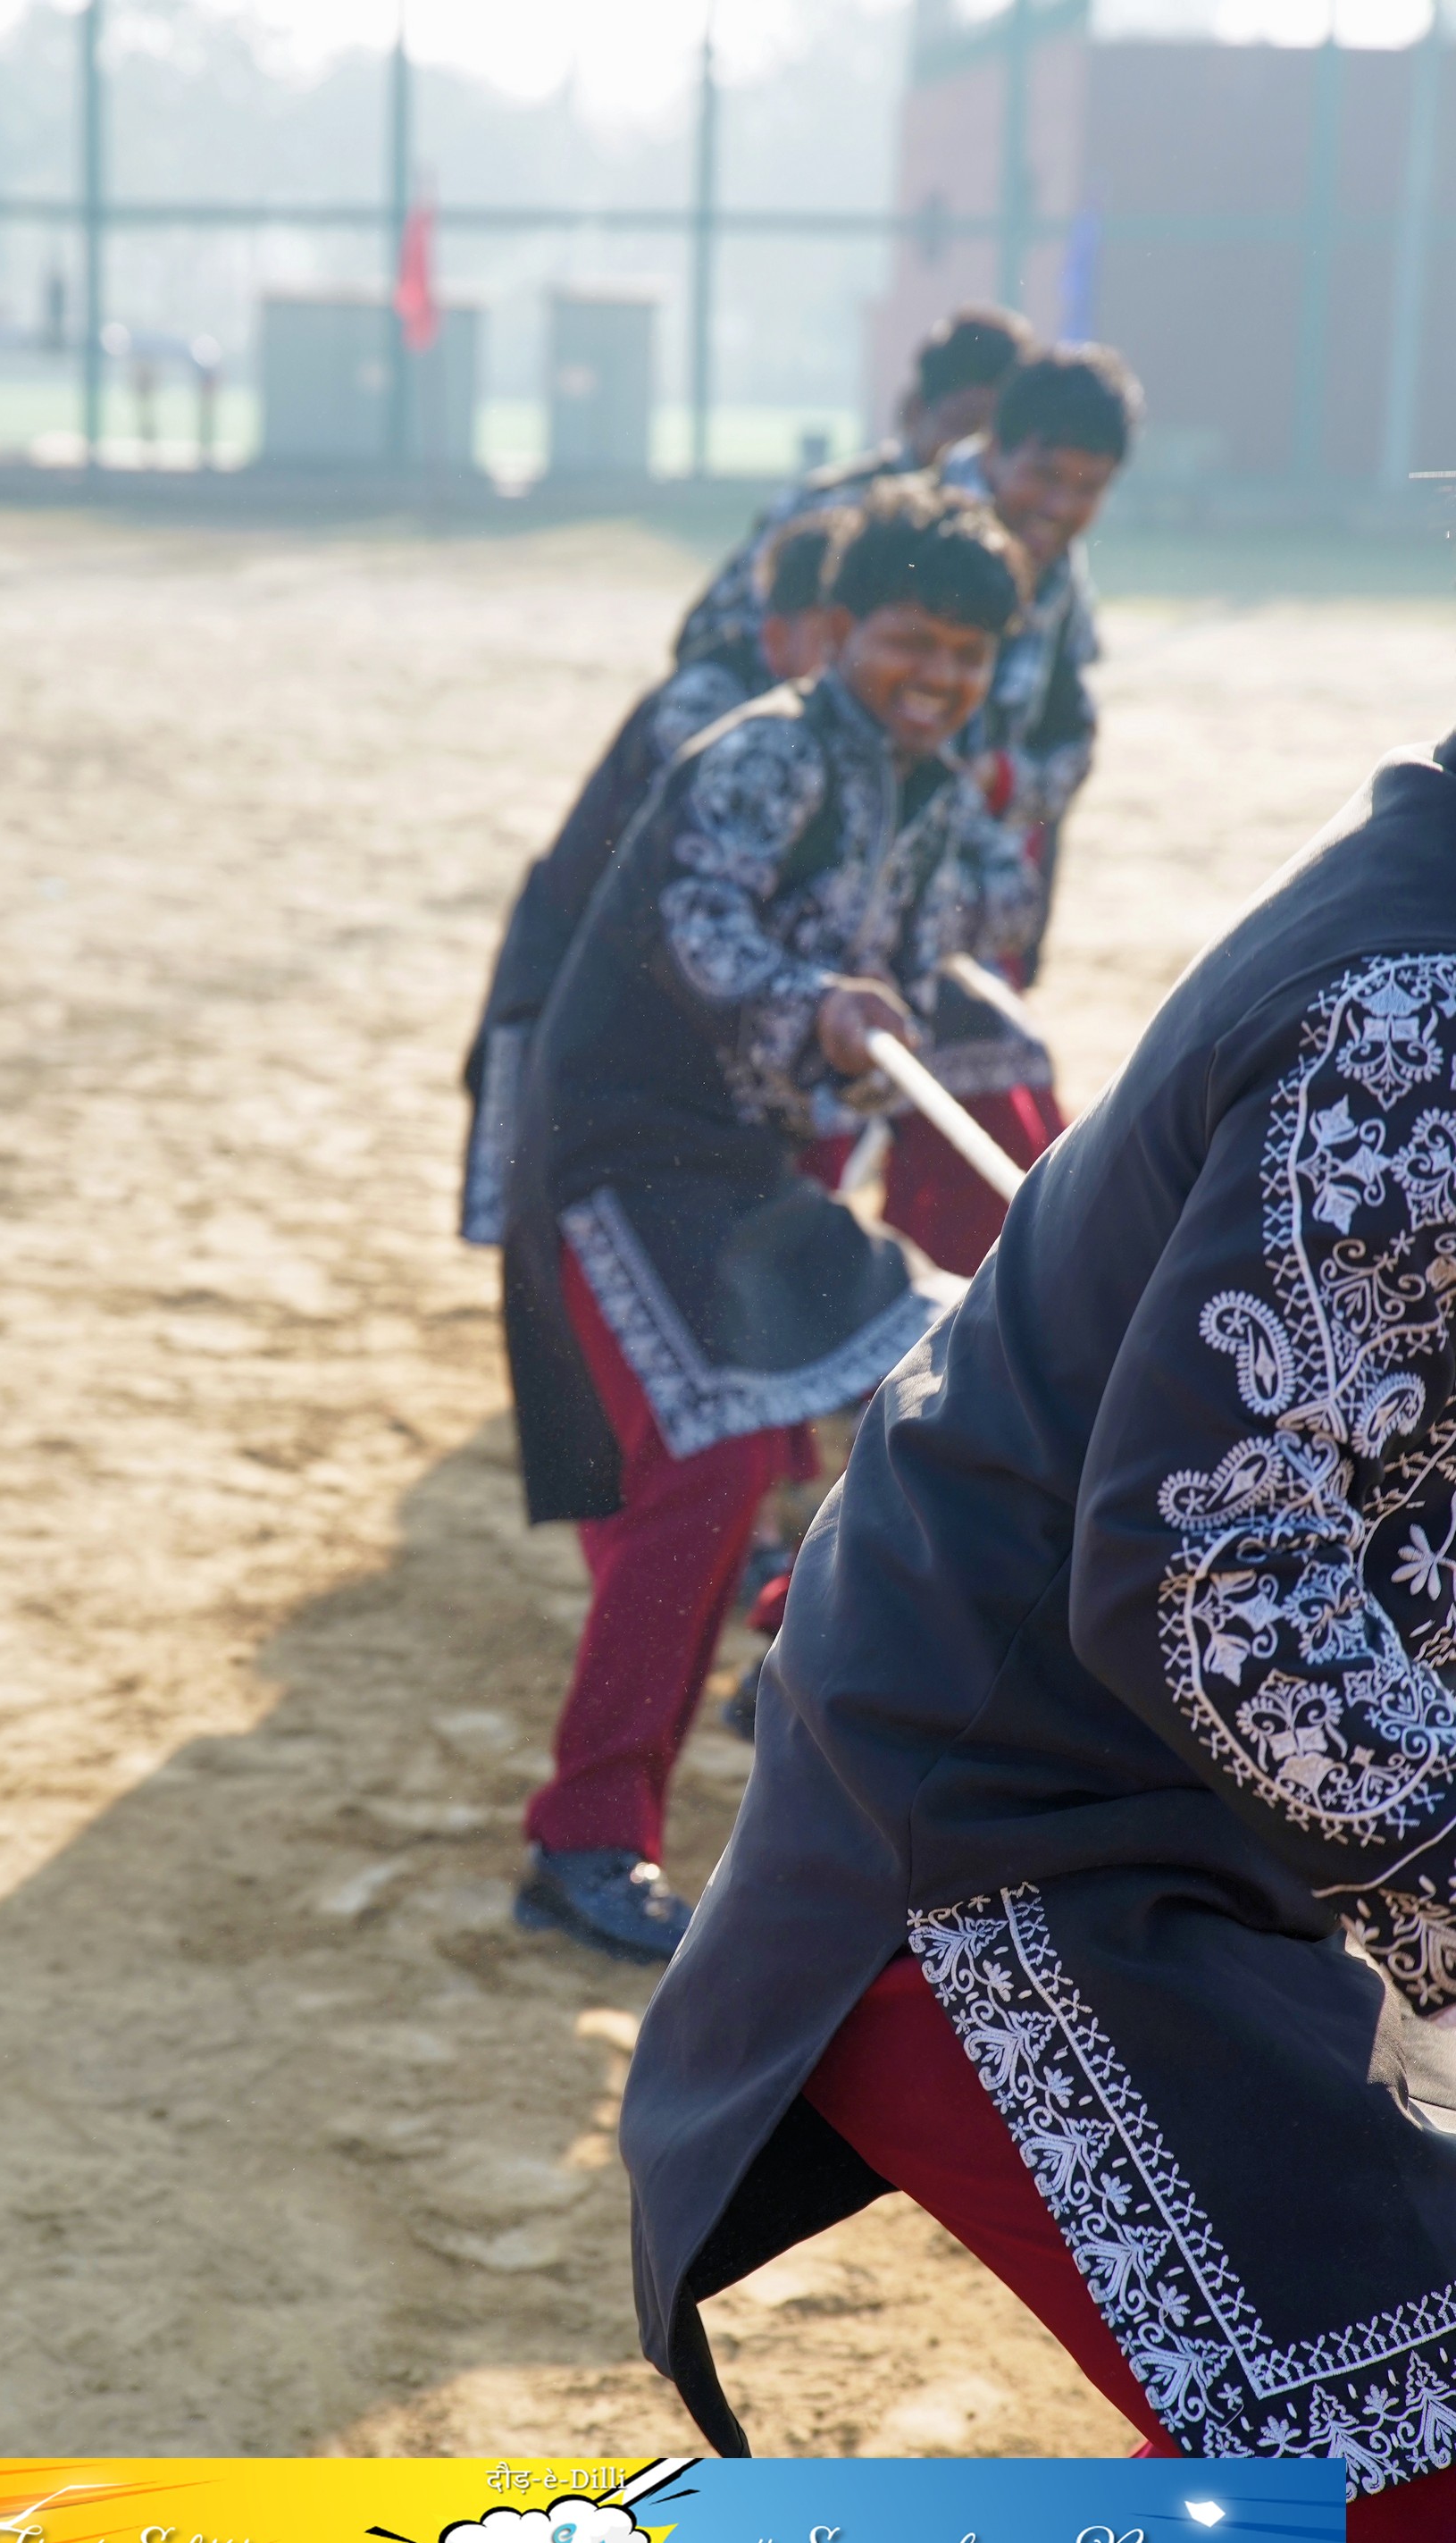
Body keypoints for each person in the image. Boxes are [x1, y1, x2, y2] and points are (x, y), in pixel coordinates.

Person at [620, 730, 1456, 2543]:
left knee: (1336, 2472)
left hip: (1170, 1817)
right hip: (1009, 1843)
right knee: (1398, 2480)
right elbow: (1215, 1569)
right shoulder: (1413, 1019)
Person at [502, 478, 1029, 1964]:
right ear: (838, 628)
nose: (935, 678)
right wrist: (821, 1005)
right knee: (713, 1469)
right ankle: (586, 1840)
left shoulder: (939, 800)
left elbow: (935, 968)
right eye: (910, 641)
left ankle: (795, 1634)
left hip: (749, 1174)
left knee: (950, 1380)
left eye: (966, 656)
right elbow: (701, 932)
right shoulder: (767, 753)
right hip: (624, 1149)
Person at [461, 510, 843, 1248]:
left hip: (666, 1009)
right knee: (550, 1207)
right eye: (834, 639)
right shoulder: (712, 716)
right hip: (577, 979)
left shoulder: (832, 737)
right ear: (778, 636)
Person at [878, 340, 1144, 1277]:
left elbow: (1068, 744)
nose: (1060, 506)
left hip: (967, 909)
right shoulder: (894, 526)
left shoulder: (1057, 574)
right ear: (994, 447)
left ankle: (947, 1319)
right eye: (1045, 474)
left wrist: (995, 782)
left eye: (1088, 487)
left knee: (987, 1142)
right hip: (845, 901)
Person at [671, 304, 1033, 673]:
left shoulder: (1007, 527)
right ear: (915, 411)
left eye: (999, 439)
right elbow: (710, 637)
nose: (977, 455)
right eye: (967, 427)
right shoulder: (838, 507)